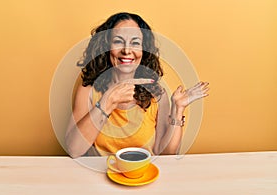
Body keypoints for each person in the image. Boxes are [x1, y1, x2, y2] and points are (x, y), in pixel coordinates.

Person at [65, 12, 209, 158]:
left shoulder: (157, 94)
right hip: (101, 175)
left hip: (143, 176)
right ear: (106, 46)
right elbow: (74, 150)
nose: (127, 50)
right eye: (118, 41)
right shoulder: (89, 89)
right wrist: (108, 101)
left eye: (135, 43)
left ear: (143, 50)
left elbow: (166, 153)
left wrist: (178, 110)